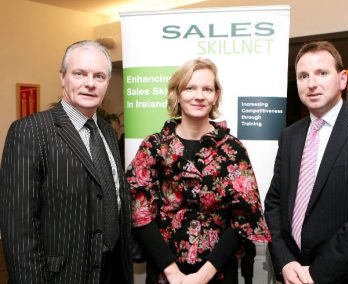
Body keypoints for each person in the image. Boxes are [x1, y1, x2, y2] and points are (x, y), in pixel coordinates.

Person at [126, 58, 270, 283]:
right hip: (164, 272)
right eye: (190, 88)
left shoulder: (232, 149)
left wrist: (203, 276)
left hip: (219, 272)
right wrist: (173, 274)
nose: (199, 95)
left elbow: (243, 217)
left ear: (216, 96)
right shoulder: (154, 146)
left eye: (207, 89)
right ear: (177, 94)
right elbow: (140, 212)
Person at [0, 40, 133, 283]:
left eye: (99, 76)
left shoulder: (107, 131)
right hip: (60, 276)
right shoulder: (29, 131)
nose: (90, 83)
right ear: (63, 77)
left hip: (110, 271)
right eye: (79, 73)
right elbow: (18, 231)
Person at [264, 41, 348, 284]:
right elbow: (273, 203)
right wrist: (285, 261)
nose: (311, 84)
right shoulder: (290, 136)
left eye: (321, 73)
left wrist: (316, 274)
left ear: (342, 79)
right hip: (294, 274)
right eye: (303, 76)